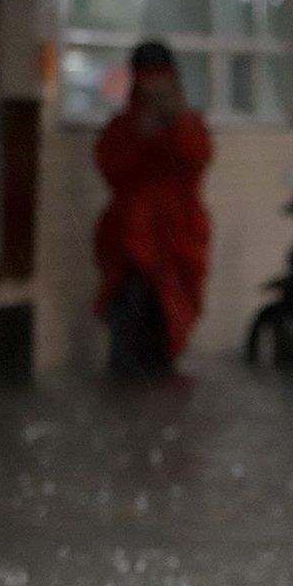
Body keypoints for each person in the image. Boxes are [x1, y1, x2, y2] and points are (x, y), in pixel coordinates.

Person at [92, 41, 213, 377]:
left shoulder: (185, 124)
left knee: (163, 335)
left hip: (172, 244)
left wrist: (175, 121)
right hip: (132, 248)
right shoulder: (126, 126)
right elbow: (112, 167)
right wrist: (143, 134)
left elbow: (195, 157)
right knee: (131, 343)